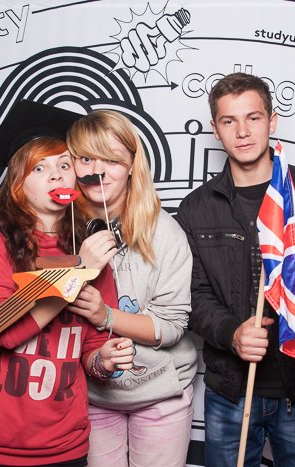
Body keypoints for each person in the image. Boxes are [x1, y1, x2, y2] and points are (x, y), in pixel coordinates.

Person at [0, 100, 134, 467]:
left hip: (63, 448)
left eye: (64, 165)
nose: (56, 176)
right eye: (40, 168)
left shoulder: (88, 247)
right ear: (18, 183)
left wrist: (104, 360)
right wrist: (78, 272)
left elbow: (92, 347)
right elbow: (3, 332)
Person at [177, 73, 295, 467]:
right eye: (229, 121)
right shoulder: (196, 208)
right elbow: (193, 295)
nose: (243, 132)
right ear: (215, 129)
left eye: (253, 118)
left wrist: (292, 269)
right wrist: (232, 332)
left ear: (272, 121)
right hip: (232, 391)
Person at [65, 110, 197, 467]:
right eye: (86, 159)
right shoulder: (60, 230)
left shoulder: (165, 233)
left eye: (111, 160)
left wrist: (105, 315)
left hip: (160, 391)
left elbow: (172, 326)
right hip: (90, 393)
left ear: (131, 166)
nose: (98, 170)